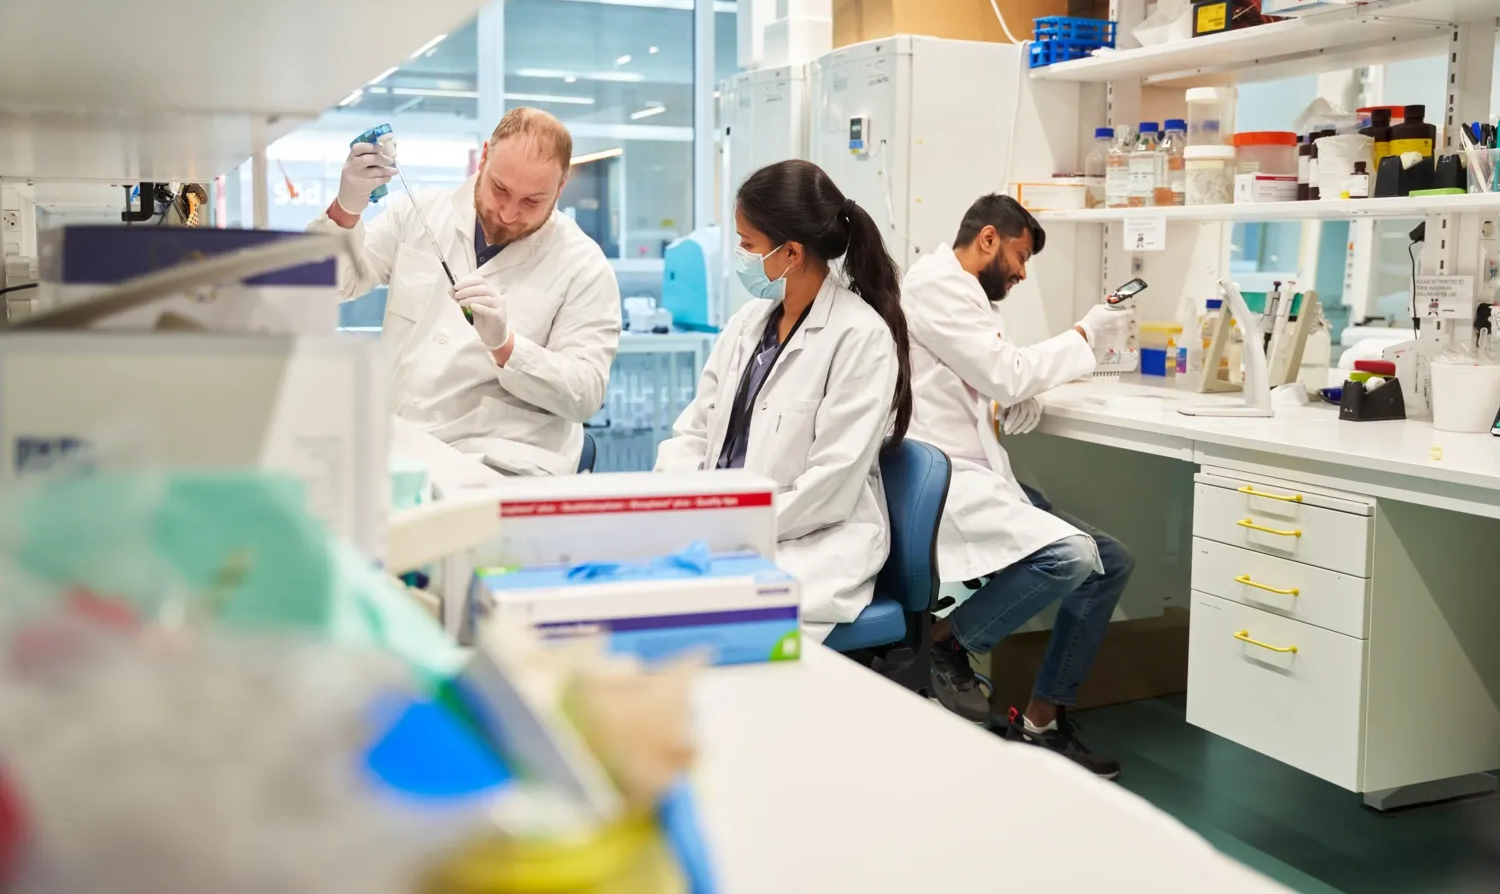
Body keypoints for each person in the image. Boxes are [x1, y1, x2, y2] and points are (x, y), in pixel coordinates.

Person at [900, 193, 1135, 778]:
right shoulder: (935, 286)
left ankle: (1042, 720)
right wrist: (1086, 333)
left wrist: (1005, 402)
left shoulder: (961, 294)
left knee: (1111, 561)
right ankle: (949, 643)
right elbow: (1004, 369)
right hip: (949, 482)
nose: (1023, 272)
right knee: (1071, 557)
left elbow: (987, 374)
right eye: (1020, 254)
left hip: (979, 471)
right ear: (987, 238)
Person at [655, 160, 913, 642]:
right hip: (722, 530)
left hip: (809, 541)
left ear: (790, 253)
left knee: (701, 622)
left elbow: (829, 486)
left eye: (747, 244)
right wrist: (675, 504)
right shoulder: (746, 325)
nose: (739, 255)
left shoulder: (859, 338)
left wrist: (731, 529)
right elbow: (694, 430)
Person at [312, 107, 621, 476]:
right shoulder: (418, 214)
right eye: (500, 189)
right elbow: (326, 285)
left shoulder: (583, 265)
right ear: (485, 155)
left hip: (506, 467)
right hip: (401, 453)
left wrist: (507, 347)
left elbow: (584, 394)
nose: (508, 213)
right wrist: (346, 209)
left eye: (532, 201)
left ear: (562, 184)